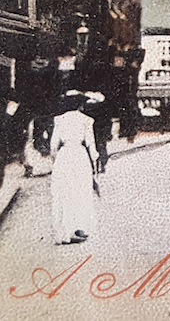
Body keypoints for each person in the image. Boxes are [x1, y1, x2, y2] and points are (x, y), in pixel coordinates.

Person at [50, 91, 100, 245]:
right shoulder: (86, 120)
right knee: (80, 192)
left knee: (63, 193)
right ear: (80, 105)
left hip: (64, 156)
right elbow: (91, 144)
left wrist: (55, 160)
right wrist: (94, 159)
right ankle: (78, 227)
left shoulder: (59, 119)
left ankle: (64, 232)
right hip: (79, 156)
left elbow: (53, 145)